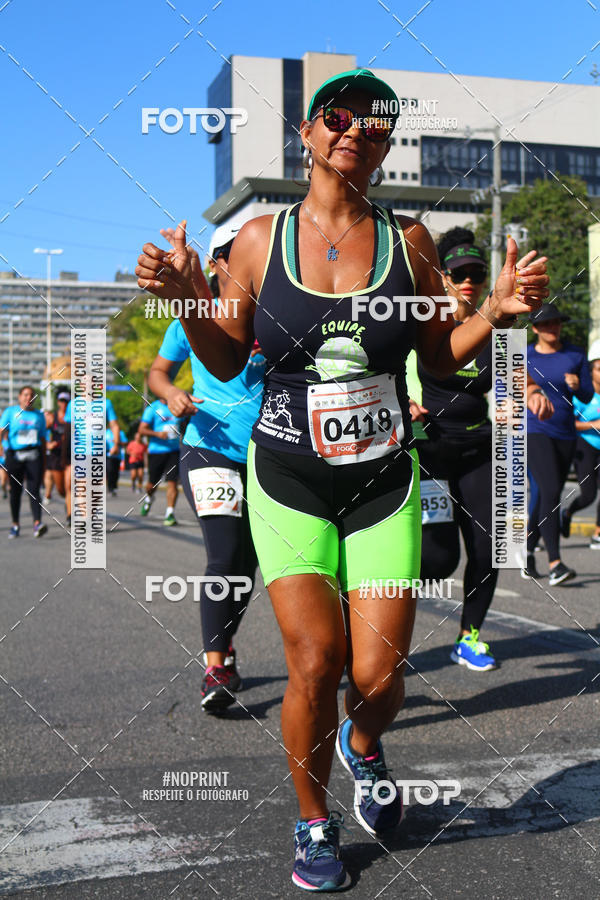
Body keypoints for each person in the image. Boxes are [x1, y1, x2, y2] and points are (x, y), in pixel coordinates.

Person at [136, 68, 548, 893]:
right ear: (309, 133)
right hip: (288, 478)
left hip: (383, 482)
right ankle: (312, 820)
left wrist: (494, 314)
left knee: (379, 677)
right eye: (338, 115)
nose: (355, 128)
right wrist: (186, 297)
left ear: (388, 143)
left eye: (374, 121)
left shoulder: (413, 243)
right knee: (315, 661)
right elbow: (224, 356)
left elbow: (437, 357)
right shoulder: (256, 242)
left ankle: (366, 747)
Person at [413, 227, 554, 671]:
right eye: (460, 273)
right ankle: (375, 611)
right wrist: (404, 402)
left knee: (493, 547)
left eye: (477, 272)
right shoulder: (420, 322)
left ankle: (468, 637)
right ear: (442, 277)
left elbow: (515, 378)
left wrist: (530, 391)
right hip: (429, 451)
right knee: (437, 558)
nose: (470, 280)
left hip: (478, 449)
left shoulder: (499, 325)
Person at [147, 223, 265, 711]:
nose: (239, 263)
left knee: (248, 567)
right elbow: (157, 372)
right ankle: (215, 666)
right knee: (224, 554)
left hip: (265, 453)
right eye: (229, 254)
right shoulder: (190, 319)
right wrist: (171, 392)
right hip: (208, 446)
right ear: (215, 264)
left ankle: (225, 648)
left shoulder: (270, 319)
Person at [524, 304, 593, 585]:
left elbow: (588, 397)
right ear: (536, 328)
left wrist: (578, 386)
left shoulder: (575, 354)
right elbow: (510, 390)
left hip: (565, 433)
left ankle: (527, 551)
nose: (554, 328)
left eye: (557, 323)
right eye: (547, 324)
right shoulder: (524, 356)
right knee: (551, 491)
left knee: (544, 496)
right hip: (534, 430)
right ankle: (555, 564)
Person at [560, 341, 600, 549]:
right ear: (592, 371)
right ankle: (567, 513)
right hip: (585, 446)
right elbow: (568, 422)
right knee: (589, 495)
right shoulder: (583, 396)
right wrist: (594, 425)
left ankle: (598, 533)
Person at [63, 395, 120, 526]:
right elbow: (68, 429)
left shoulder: (106, 403)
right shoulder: (73, 404)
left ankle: (91, 514)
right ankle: (84, 519)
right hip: (80, 452)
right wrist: (66, 455)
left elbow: (114, 425)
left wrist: (116, 443)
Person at [1, 385, 48, 538]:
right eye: (26, 395)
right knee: (15, 491)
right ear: (20, 397)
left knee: (34, 490)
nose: (29, 398)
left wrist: (44, 461)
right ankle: (15, 525)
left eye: (32, 395)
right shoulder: (10, 412)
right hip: (15, 456)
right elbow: (1, 431)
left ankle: (37, 524)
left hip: (34, 455)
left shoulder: (39, 416)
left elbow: (43, 439)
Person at [139, 398, 183, 525]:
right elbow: (142, 429)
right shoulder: (152, 408)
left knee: (173, 483)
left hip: (174, 451)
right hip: (156, 451)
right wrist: (157, 434)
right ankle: (149, 498)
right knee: (151, 485)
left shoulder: (176, 405)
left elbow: (184, 423)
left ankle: (170, 513)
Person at [43, 391, 69, 503]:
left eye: (66, 401)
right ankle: (67, 499)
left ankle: (71, 507)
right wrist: (48, 444)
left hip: (69, 454)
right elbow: (41, 432)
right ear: (58, 402)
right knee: (61, 489)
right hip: (56, 455)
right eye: (62, 401)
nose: (64, 404)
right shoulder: (52, 418)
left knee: (70, 486)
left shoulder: (75, 417)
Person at [126, 427, 147, 492]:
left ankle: (139, 487)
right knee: (133, 475)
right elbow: (127, 451)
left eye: (139, 436)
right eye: (137, 436)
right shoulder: (131, 443)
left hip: (140, 461)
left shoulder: (143, 445)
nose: (138, 438)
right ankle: (133, 484)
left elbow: (145, 453)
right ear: (135, 437)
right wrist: (132, 453)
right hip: (133, 461)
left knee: (141, 475)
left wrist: (146, 463)